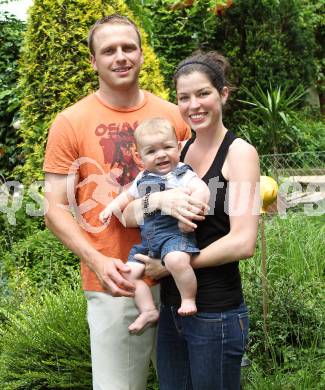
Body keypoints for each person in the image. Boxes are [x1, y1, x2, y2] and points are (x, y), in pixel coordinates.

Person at [42, 14, 206, 390]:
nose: (120, 57)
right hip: (116, 281)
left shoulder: (173, 115)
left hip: (181, 276)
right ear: (93, 61)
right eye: (109, 50)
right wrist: (98, 261)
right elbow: (54, 208)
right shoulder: (70, 122)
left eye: (128, 47)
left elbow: (198, 189)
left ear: (142, 54)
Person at [122, 50, 260, 389]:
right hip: (172, 311)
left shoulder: (240, 153)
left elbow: (244, 242)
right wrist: (158, 199)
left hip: (217, 312)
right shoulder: (177, 152)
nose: (193, 105)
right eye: (184, 97)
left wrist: (170, 267)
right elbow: (126, 214)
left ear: (223, 94)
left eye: (203, 93)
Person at [99, 117, 210, 333]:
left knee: (177, 261)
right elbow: (125, 199)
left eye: (167, 147)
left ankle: (188, 299)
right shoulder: (142, 178)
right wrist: (109, 208)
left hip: (174, 236)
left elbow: (202, 190)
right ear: (139, 158)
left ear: (178, 148)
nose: (161, 154)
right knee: (127, 276)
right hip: (148, 242)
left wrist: (192, 213)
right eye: (151, 152)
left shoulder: (182, 174)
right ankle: (148, 310)